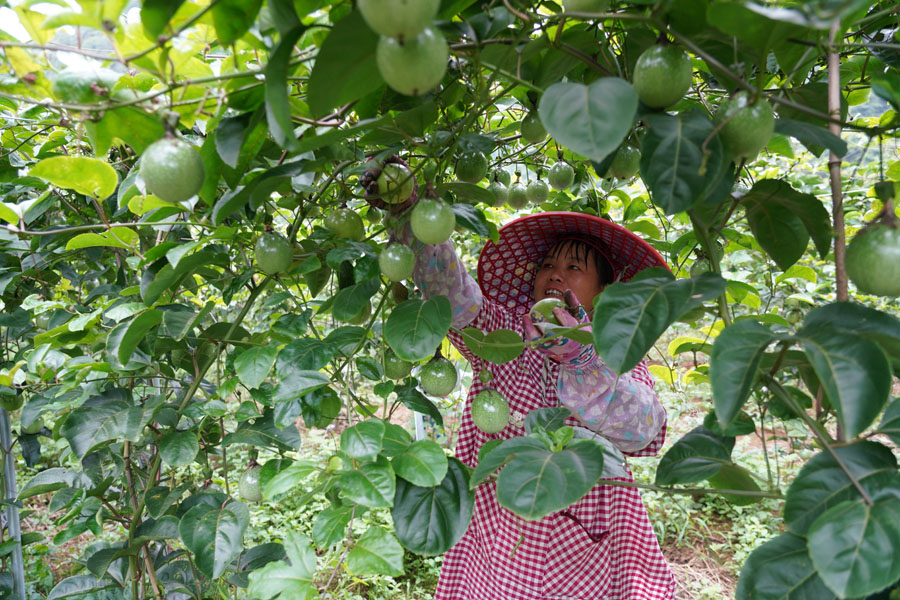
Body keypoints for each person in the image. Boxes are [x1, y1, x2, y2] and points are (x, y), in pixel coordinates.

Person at [365, 161, 676, 600]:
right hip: (501, 526)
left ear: (604, 295)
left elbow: (643, 430)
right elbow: (454, 296)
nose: (555, 273)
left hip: (586, 537)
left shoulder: (618, 352)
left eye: (574, 268)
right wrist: (408, 211)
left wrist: (582, 359)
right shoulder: (505, 335)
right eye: (548, 264)